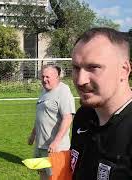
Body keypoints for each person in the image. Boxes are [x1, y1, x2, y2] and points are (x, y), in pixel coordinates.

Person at [70, 27, 132, 179]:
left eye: (93, 67)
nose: (80, 80)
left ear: (124, 70)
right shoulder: (83, 116)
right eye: (76, 68)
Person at [28, 65, 75, 180]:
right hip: (40, 145)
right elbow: (40, 116)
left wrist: (56, 142)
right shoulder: (44, 91)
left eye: (47, 77)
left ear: (57, 77)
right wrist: (33, 134)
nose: (44, 80)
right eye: (42, 77)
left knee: (56, 177)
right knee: (43, 175)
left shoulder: (63, 91)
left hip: (55, 148)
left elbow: (68, 118)